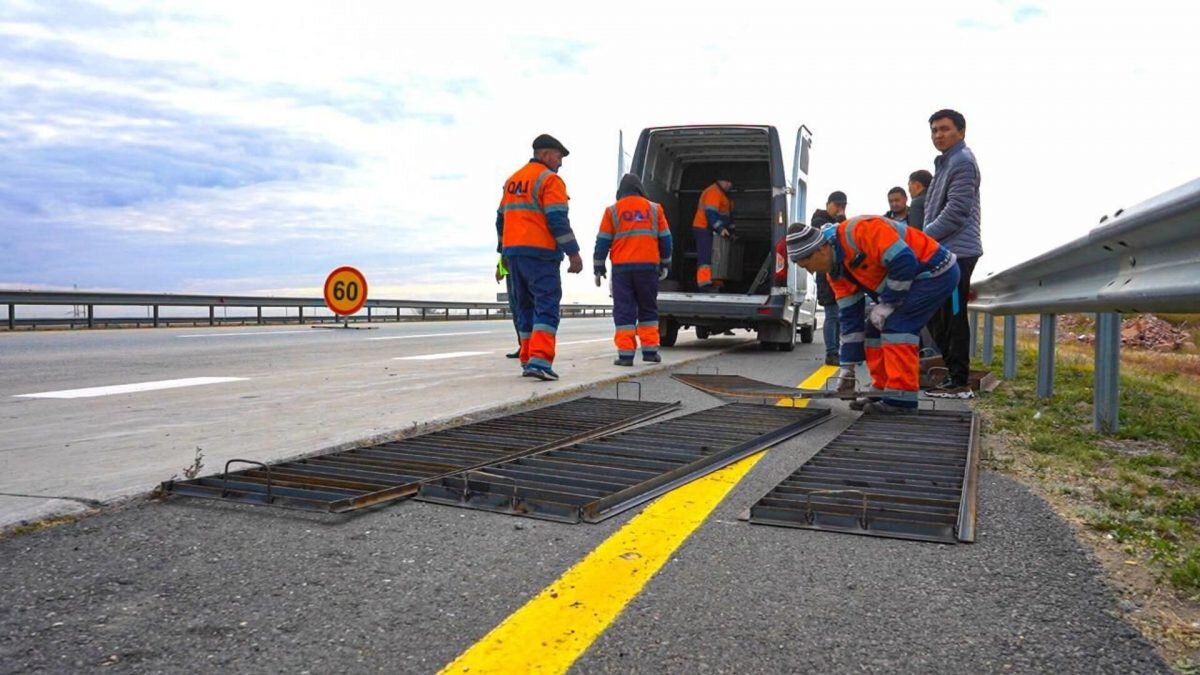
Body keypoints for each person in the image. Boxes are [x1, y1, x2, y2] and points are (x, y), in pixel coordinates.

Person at [786, 216, 959, 414]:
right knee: (873, 330)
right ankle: (882, 389)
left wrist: (887, 304)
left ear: (821, 249)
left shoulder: (859, 231)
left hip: (935, 272)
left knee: (897, 327)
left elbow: (904, 261)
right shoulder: (836, 273)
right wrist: (847, 367)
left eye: (807, 265)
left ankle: (902, 401)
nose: (810, 271)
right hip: (911, 281)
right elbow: (850, 320)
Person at [495, 133, 584, 382]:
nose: (560, 163)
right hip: (540, 254)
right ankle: (541, 360)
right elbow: (557, 219)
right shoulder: (550, 180)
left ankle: (527, 358)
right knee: (546, 306)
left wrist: (503, 254)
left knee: (525, 308)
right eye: (558, 157)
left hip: (514, 255)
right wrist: (573, 253)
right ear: (545, 155)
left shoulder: (512, 181)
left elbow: (501, 220)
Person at [921, 109, 983, 399]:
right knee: (938, 316)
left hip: (958, 254)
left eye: (944, 129)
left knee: (954, 316)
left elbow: (956, 213)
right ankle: (953, 374)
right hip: (943, 254)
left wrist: (921, 237)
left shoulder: (962, 162)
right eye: (934, 130)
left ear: (961, 131)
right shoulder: (946, 163)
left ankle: (959, 381)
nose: (938, 135)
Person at [594, 174, 673, 366]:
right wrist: (665, 263)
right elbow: (666, 239)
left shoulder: (612, 211)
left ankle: (626, 355)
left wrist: (598, 267)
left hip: (622, 269)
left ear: (620, 191)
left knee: (624, 310)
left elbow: (602, 241)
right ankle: (650, 351)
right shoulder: (655, 209)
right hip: (648, 268)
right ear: (640, 189)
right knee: (648, 308)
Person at [812, 191, 847, 366]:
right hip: (825, 274)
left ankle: (838, 351)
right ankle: (831, 353)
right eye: (837, 205)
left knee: (840, 316)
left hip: (839, 273)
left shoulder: (840, 222)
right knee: (832, 314)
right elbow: (833, 236)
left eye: (843, 206)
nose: (840, 209)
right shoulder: (819, 221)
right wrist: (841, 221)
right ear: (828, 204)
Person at [691, 179, 734, 292]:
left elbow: (726, 215)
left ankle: (715, 281)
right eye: (728, 182)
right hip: (703, 228)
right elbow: (710, 214)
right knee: (705, 256)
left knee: (715, 256)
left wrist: (729, 229)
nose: (730, 185)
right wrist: (721, 229)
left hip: (711, 229)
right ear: (721, 181)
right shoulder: (713, 192)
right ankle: (704, 284)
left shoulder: (723, 195)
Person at [494, 255, 521, 358]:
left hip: (533, 265)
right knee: (517, 310)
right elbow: (505, 245)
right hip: (513, 267)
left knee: (525, 309)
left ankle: (534, 348)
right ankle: (524, 346)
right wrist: (500, 268)